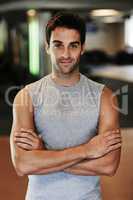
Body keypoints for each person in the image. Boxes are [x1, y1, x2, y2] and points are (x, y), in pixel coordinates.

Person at [10, 12, 121, 200]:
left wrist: (43, 154)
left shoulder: (105, 97)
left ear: (83, 48)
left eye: (73, 45)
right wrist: (86, 151)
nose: (66, 54)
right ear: (47, 47)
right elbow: (23, 165)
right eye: (58, 45)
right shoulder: (26, 97)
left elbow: (108, 165)